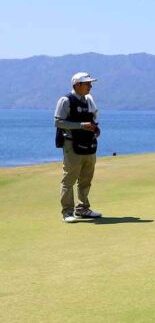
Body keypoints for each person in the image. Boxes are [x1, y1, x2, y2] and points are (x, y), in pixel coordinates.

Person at [54, 72, 103, 223]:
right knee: (69, 179)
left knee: (86, 179)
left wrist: (95, 129)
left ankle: (82, 209)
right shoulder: (66, 100)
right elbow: (58, 122)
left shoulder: (88, 100)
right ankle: (67, 212)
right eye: (87, 83)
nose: (90, 86)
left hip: (89, 144)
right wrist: (81, 126)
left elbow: (91, 120)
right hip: (72, 145)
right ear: (77, 85)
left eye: (90, 83)